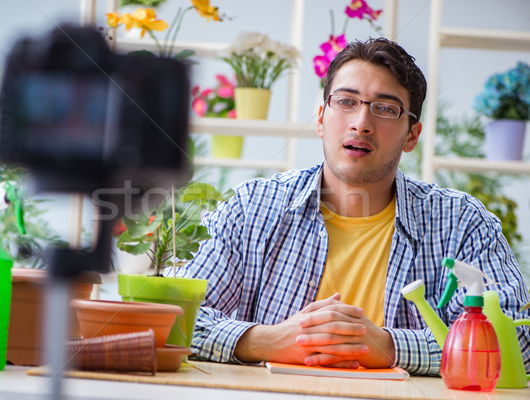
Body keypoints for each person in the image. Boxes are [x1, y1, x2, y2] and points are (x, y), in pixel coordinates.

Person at [166, 37, 530, 375]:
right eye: (346, 101)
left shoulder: (462, 222)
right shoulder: (254, 207)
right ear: (322, 119)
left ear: (412, 136)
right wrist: (270, 340)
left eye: (386, 109)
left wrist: (388, 345)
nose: (362, 122)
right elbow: (174, 318)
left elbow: (518, 342)